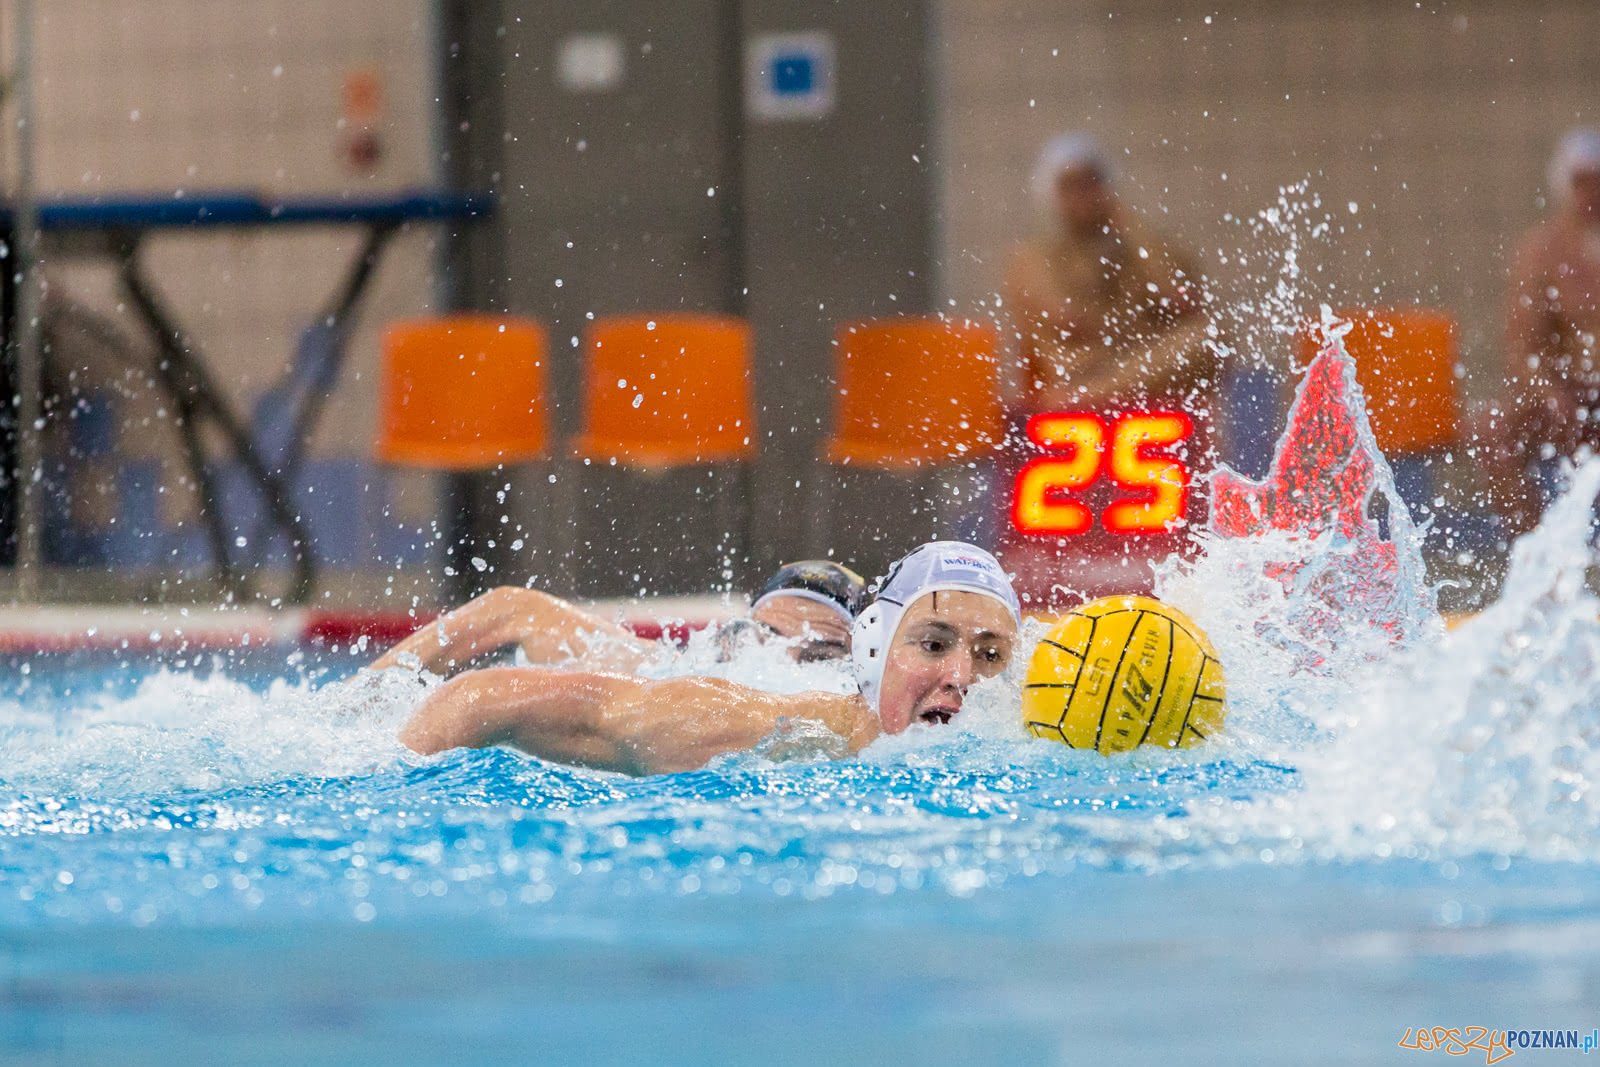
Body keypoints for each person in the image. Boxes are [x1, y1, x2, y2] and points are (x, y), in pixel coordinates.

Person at [396, 542, 1023, 775]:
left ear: (853, 657)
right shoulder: (731, 707)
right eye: (763, 637)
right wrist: (370, 747)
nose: (962, 674)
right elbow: (479, 681)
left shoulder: (1005, 712)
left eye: (818, 650)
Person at [1003, 132, 1217, 416]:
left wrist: (1131, 228)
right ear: (1052, 196)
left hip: (1131, 369)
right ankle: (1090, 394)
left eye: (1091, 184)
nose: (1083, 196)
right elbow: (1072, 324)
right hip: (1077, 369)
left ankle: (1092, 394)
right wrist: (1136, 323)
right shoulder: (1031, 257)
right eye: (1071, 187)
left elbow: (1184, 302)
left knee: (1209, 338)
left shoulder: (1134, 245)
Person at [370, 560, 869, 677]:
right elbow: (513, 609)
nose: (780, 658)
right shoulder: (666, 674)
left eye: (819, 655)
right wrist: (358, 707)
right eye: (765, 636)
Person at [1484, 128, 1600, 533]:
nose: (1591, 195)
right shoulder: (1541, 250)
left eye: (1598, 183)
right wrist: (1549, 390)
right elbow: (1522, 342)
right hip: (1569, 391)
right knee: (1494, 432)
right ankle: (1533, 552)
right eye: (1582, 183)